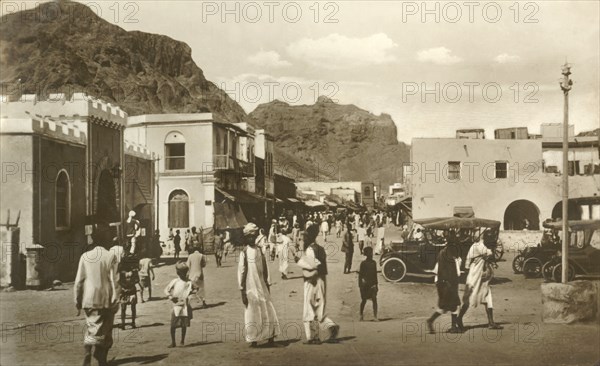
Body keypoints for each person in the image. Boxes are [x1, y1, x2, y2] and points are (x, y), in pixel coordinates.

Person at [74, 224, 119, 366]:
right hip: (105, 298)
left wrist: (77, 301)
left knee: (91, 326)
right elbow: (114, 280)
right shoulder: (111, 256)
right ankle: (102, 360)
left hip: (88, 298)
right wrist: (116, 299)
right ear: (106, 240)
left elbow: (79, 281)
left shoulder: (85, 256)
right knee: (106, 329)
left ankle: (87, 352)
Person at [238, 223, 281, 347]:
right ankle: (253, 339)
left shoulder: (260, 250)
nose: (251, 239)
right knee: (252, 312)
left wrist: (268, 283)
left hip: (262, 285)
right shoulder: (244, 253)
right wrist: (242, 291)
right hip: (250, 287)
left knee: (267, 309)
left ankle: (270, 336)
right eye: (249, 237)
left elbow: (265, 267)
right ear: (246, 238)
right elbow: (241, 271)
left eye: (253, 236)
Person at [296, 224, 339, 344]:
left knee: (309, 308)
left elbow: (312, 265)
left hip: (312, 280)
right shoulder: (320, 248)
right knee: (319, 308)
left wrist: (298, 261)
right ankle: (330, 326)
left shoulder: (310, 249)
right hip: (322, 280)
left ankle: (313, 337)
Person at [457, 231, 503, 330]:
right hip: (475, 275)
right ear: (486, 239)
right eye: (490, 239)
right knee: (469, 298)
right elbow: (490, 254)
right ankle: (459, 318)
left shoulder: (479, 245)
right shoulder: (479, 246)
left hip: (482, 276)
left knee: (487, 297)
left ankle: (491, 322)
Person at [426, 234, 463, 334]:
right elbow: (452, 272)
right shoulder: (449, 254)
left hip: (443, 283)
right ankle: (432, 321)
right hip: (447, 283)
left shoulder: (444, 252)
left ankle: (452, 326)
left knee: (449, 306)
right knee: (448, 306)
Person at [164, 262, 193, 347]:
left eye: (185, 272)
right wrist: (170, 297)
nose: (184, 274)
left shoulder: (189, 282)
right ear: (179, 273)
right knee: (173, 324)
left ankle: (182, 341)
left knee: (184, 324)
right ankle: (173, 342)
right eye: (182, 272)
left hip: (185, 305)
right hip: (176, 305)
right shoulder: (175, 281)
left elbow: (196, 288)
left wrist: (191, 293)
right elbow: (166, 290)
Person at [358, 246, 378, 321]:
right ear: (367, 254)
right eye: (370, 253)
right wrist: (361, 286)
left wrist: (376, 285)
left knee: (374, 299)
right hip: (365, 285)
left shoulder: (374, 263)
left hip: (372, 284)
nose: (372, 254)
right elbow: (361, 276)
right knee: (364, 300)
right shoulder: (363, 263)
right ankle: (361, 315)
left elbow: (375, 275)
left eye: (372, 253)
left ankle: (375, 316)